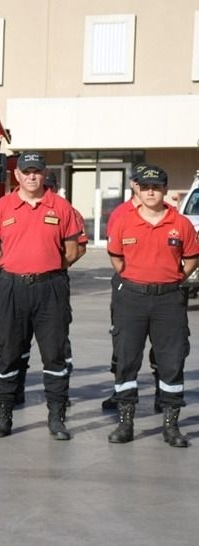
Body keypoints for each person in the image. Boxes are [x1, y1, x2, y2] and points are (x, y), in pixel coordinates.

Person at [0, 151, 81, 440]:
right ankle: (3, 417)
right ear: (17, 175)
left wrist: (46, 267)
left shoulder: (61, 207)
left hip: (51, 288)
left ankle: (57, 418)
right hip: (12, 288)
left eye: (37, 171)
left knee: (54, 354)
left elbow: (72, 251)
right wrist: (12, 266)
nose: (32, 176)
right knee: (9, 353)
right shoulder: (2, 207)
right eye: (26, 172)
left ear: (44, 173)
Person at [106, 165, 198, 447]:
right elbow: (117, 259)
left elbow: (192, 258)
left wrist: (172, 280)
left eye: (155, 188)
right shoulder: (124, 220)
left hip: (169, 300)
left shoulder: (180, 223)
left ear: (164, 190)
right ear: (138, 189)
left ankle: (171, 427)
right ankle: (125, 424)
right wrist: (138, 280)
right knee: (126, 360)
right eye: (145, 187)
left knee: (171, 362)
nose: (150, 192)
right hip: (131, 299)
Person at [100, 163, 160, 412]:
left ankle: (161, 392)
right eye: (138, 181)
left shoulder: (167, 212)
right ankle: (121, 391)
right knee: (122, 339)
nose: (142, 187)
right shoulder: (121, 213)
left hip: (161, 290)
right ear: (133, 184)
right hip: (127, 285)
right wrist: (128, 276)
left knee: (163, 343)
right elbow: (115, 251)